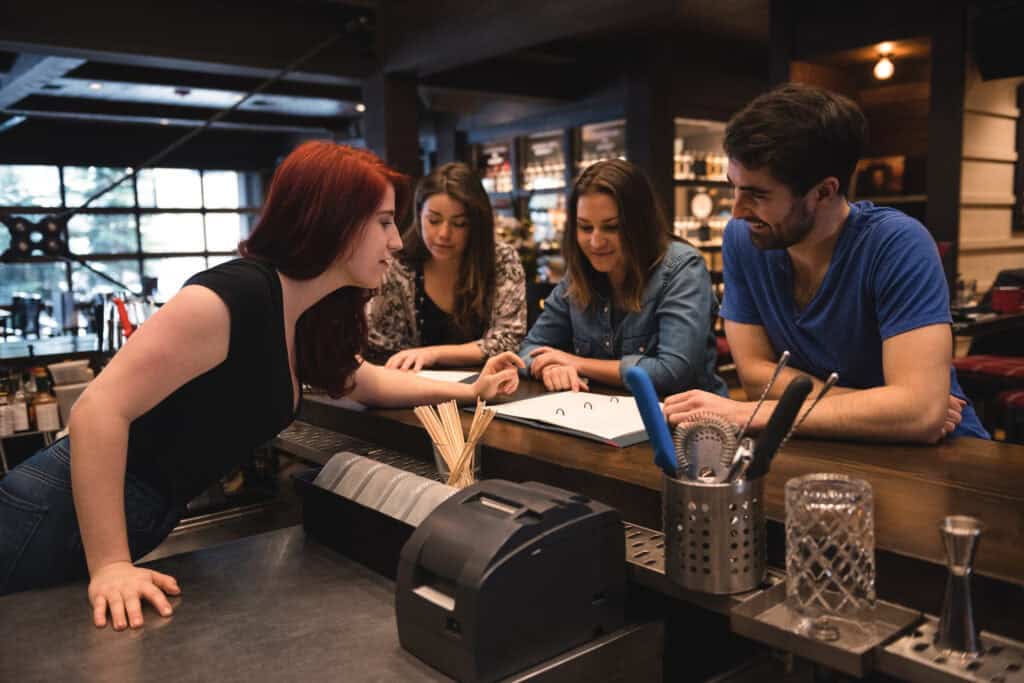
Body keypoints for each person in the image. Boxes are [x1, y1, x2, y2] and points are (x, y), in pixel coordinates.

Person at [0, 142, 524, 627]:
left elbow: (361, 382)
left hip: (131, 512)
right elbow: (97, 411)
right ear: (334, 222)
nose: (395, 240)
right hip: (57, 509)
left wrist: (467, 390)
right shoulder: (234, 296)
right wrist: (111, 562)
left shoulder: (310, 308)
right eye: (385, 222)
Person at [663, 83, 988, 442]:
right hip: (823, 443)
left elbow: (922, 416)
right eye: (734, 188)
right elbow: (755, 375)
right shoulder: (744, 239)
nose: (737, 211)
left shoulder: (898, 245)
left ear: (823, 192)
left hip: (944, 454)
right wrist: (892, 409)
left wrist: (746, 413)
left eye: (757, 194)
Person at [518, 159, 727, 397]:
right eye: (586, 228)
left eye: (612, 227)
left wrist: (576, 363)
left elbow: (672, 372)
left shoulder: (682, 268)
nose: (596, 242)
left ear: (640, 225)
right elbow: (528, 350)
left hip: (682, 426)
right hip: (600, 420)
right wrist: (549, 367)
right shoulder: (579, 274)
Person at [367, 162, 526, 370]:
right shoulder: (398, 264)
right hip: (410, 388)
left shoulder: (501, 260)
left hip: (488, 388)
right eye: (433, 220)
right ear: (419, 215)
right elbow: (378, 344)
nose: (444, 234)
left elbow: (508, 339)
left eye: (459, 224)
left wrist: (433, 354)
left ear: (476, 225)